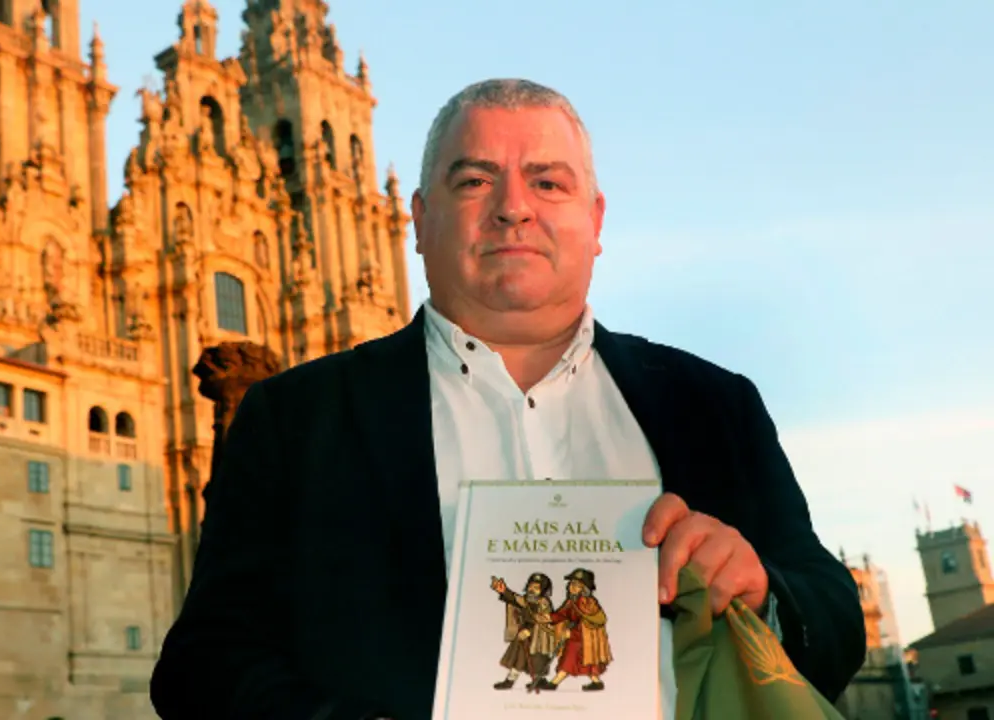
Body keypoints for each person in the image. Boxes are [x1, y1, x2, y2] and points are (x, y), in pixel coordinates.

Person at [150, 78, 865, 720]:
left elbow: (836, 623)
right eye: (474, 181)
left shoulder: (714, 406)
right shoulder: (294, 419)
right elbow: (202, 666)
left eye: (548, 183)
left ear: (597, 218)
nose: (512, 209)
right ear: (419, 219)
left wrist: (762, 591)